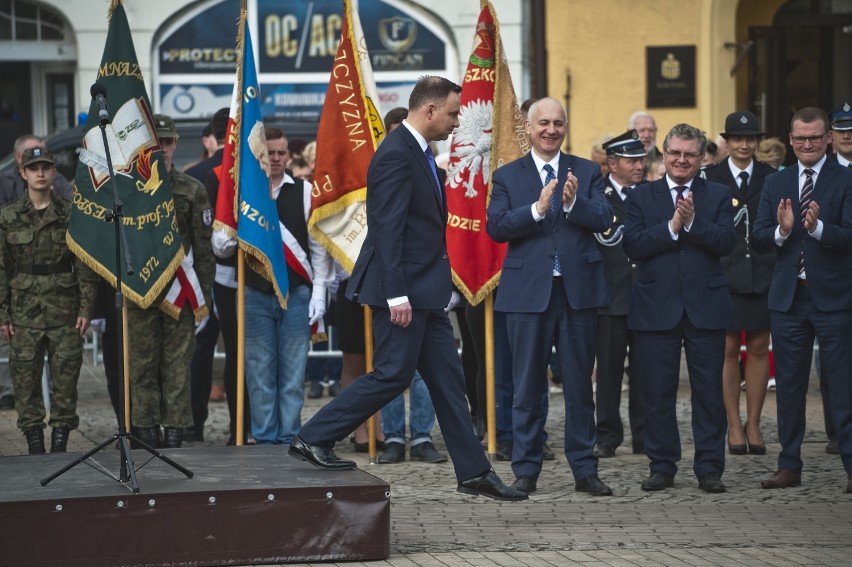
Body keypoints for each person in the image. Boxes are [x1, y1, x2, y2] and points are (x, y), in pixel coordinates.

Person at [289, 76, 524, 501]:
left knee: (448, 381)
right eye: (453, 113)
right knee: (392, 373)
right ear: (429, 110)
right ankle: (313, 437)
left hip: (425, 293)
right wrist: (396, 293)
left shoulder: (419, 154)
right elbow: (387, 228)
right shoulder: (397, 155)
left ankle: (473, 472)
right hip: (402, 293)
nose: (457, 122)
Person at [486, 97, 614, 497]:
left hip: (578, 295)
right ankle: (526, 469)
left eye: (558, 123)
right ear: (528, 126)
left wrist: (573, 203)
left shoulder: (588, 170)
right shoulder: (508, 175)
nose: (551, 130)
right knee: (526, 389)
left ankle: (584, 470)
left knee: (578, 386)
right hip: (527, 296)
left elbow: (605, 218)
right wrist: (537, 210)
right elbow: (496, 227)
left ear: (566, 126)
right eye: (543, 123)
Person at [623, 123, 736, 494]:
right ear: (664, 154)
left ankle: (709, 468)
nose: (682, 160)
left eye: (690, 154)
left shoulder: (718, 195)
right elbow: (633, 246)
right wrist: (672, 226)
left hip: (705, 307)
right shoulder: (642, 196)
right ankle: (662, 465)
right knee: (657, 392)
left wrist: (693, 223)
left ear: (702, 158)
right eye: (675, 153)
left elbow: (726, 243)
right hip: (657, 307)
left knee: (708, 392)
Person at [753, 107, 852, 493]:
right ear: (790, 140)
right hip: (789, 300)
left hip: (834, 298)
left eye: (814, 137)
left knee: (841, 385)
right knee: (790, 385)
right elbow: (759, 238)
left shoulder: (845, 179)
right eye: (799, 138)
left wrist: (820, 228)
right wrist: (781, 230)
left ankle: (849, 465)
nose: (807, 144)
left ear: (829, 138)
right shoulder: (776, 184)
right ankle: (789, 465)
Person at [216, 127, 332, 445]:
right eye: (270, 153)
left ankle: (290, 438)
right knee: (258, 373)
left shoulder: (306, 192)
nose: (277, 159)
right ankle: (265, 439)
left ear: (290, 156)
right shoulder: (243, 194)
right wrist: (227, 232)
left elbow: (318, 248)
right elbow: (220, 248)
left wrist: (320, 292)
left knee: (294, 375)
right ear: (259, 155)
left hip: (297, 294)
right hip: (253, 293)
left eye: (282, 153)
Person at [126, 114, 215, 449]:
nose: (162, 148)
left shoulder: (192, 189)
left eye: (167, 142)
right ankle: (147, 432)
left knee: (178, 365)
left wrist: (203, 296)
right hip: (141, 294)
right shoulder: (130, 192)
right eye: (156, 142)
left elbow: (203, 249)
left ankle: (176, 432)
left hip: (181, 291)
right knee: (143, 365)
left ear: (175, 144)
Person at [0, 147, 97, 453]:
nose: (40, 173)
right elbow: (2, 267)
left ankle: (60, 445)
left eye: (46, 168)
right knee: (25, 382)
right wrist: (3, 314)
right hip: (24, 310)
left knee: (66, 380)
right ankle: (34, 446)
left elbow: (84, 264)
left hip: (64, 309)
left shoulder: (71, 213)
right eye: (34, 168)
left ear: (54, 173)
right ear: (23, 173)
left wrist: (86, 308)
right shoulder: (8, 216)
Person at [704, 111, 777, 457]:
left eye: (750, 139)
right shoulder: (711, 177)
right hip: (724, 274)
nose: (745, 145)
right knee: (729, 350)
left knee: (760, 348)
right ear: (727, 142)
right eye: (737, 139)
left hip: (762, 272)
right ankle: (733, 424)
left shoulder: (772, 176)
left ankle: (754, 423)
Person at [592, 129, 647, 459]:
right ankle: (608, 434)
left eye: (641, 159)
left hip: (644, 296)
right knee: (609, 372)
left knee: (644, 371)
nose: (639, 165)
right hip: (610, 296)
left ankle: (644, 433)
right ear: (612, 164)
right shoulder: (597, 195)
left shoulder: (651, 194)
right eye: (631, 160)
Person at [818, 101, 852, 456]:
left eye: (851, 130)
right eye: (842, 131)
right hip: (830, 279)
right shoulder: (818, 172)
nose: (847, 136)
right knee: (833, 362)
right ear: (831, 137)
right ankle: (836, 431)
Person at [0, 134, 74, 203]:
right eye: (34, 153)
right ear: (19, 157)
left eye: (42, 152)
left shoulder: (56, 178)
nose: (40, 174)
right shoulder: (4, 182)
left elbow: (74, 206)